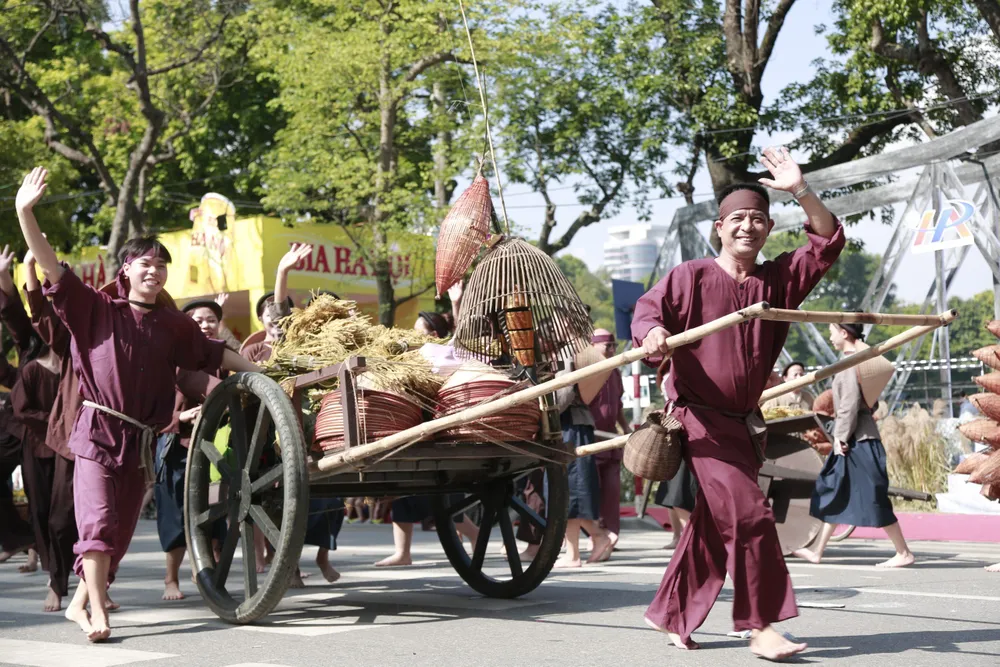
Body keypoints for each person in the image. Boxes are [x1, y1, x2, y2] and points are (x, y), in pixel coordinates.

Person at [14, 166, 262, 642]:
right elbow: (50, 267)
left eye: (161, 264)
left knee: (120, 535)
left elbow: (215, 354)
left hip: (140, 442)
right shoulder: (94, 309)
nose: (154, 270)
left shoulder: (175, 325)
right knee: (99, 523)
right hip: (95, 433)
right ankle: (98, 613)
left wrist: (263, 375)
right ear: (125, 270)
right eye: (145, 263)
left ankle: (79, 606)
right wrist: (26, 212)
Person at [633, 147, 843, 659]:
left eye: (757, 220)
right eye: (737, 220)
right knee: (749, 516)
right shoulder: (690, 277)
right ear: (719, 228)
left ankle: (671, 614)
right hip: (698, 422)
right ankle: (763, 626)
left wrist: (798, 188)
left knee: (711, 527)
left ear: (769, 228)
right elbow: (646, 312)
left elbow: (828, 241)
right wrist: (655, 333)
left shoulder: (779, 282)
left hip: (744, 427)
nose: (747, 228)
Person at [792, 322, 915, 569]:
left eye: (831, 331)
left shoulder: (850, 364)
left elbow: (848, 405)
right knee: (835, 489)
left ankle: (903, 552)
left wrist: (840, 437)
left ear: (844, 333)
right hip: (856, 439)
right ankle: (817, 551)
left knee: (872, 494)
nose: (829, 336)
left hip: (857, 442)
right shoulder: (861, 362)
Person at [156, 298, 230, 601]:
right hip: (177, 447)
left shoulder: (225, 358)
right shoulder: (168, 357)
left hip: (214, 448)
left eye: (211, 319)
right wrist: (179, 417)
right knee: (175, 517)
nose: (205, 324)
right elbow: (149, 408)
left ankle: (209, 575)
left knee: (215, 514)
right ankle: (170, 580)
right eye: (197, 319)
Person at [553, 358, 614, 569]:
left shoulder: (566, 353)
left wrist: (540, 408)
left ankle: (587, 543)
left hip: (571, 423)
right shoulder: (561, 352)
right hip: (564, 424)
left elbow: (564, 393)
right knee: (565, 490)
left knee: (572, 490)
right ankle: (587, 543)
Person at [587, 330, 630, 549]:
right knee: (592, 489)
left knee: (612, 491)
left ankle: (612, 534)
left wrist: (626, 429)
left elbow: (619, 405)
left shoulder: (615, 372)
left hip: (611, 440)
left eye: (614, 345)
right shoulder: (586, 371)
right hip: (591, 441)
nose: (612, 350)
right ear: (593, 346)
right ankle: (595, 535)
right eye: (608, 346)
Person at [651, 361, 697, 550]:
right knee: (673, 491)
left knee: (677, 492)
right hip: (674, 435)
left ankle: (690, 536)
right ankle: (681, 536)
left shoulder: (688, 367)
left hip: (687, 432)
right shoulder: (665, 368)